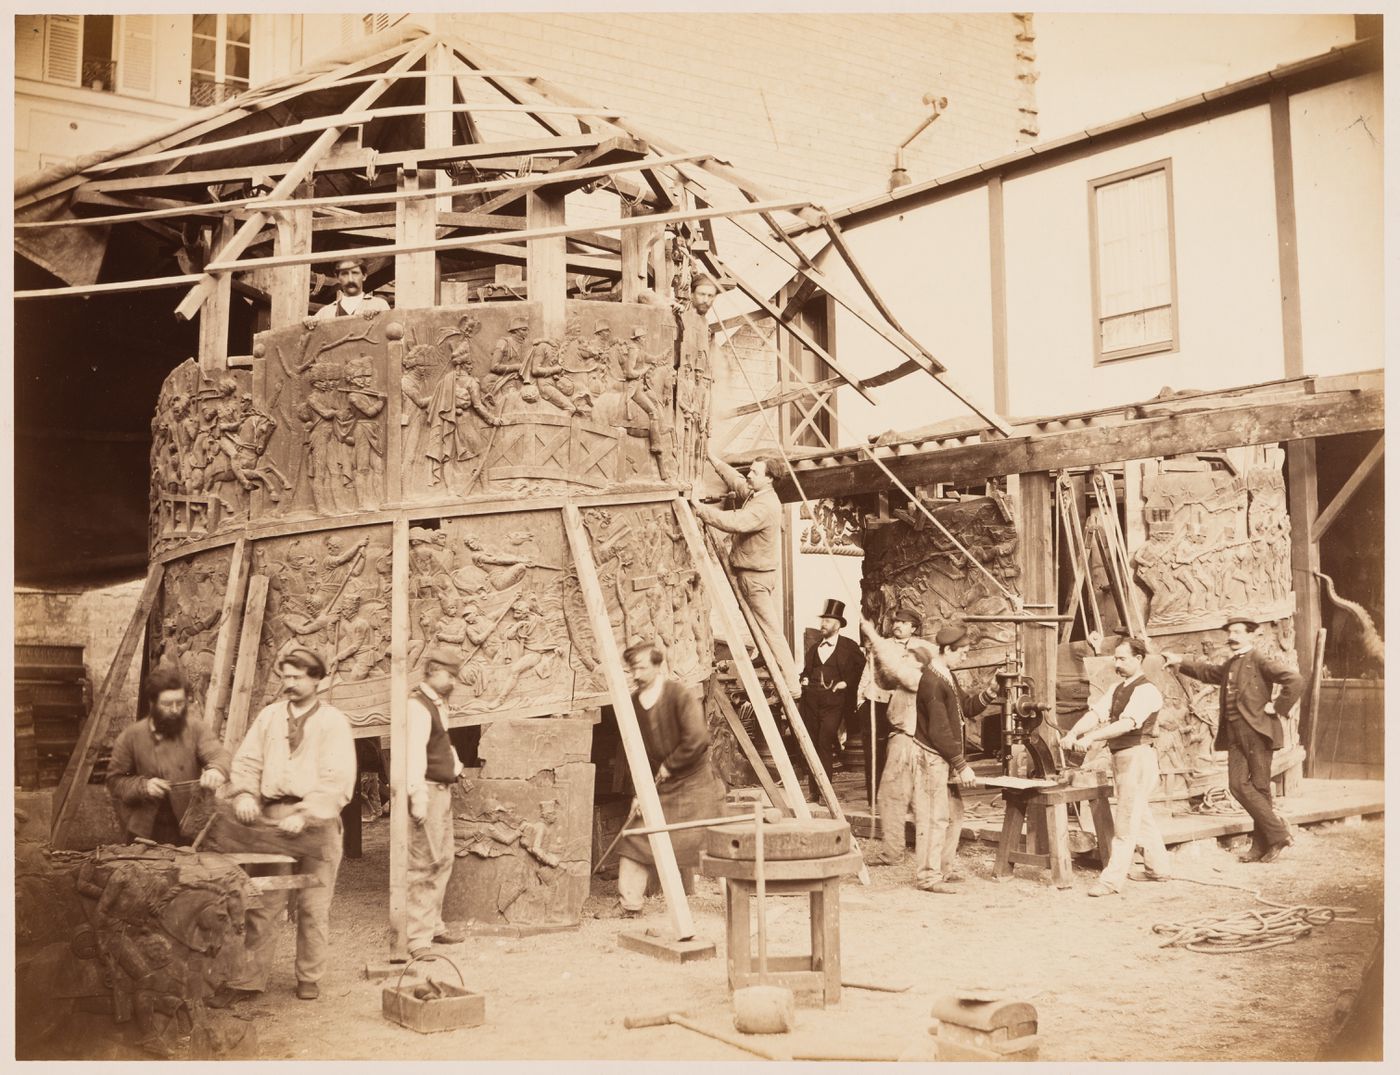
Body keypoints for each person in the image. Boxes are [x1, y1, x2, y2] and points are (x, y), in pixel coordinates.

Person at [210, 648, 356, 1005]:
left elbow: (337, 778)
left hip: (317, 824)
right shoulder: (270, 717)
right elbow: (248, 761)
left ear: (317, 679)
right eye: (285, 677)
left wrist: (306, 814)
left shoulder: (333, 722)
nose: (289, 684)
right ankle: (249, 979)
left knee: (313, 906)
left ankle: (309, 976)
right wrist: (244, 795)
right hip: (272, 823)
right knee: (263, 902)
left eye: (297, 677)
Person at [1164, 618, 1303, 863]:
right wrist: (1179, 661)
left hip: (1258, 732)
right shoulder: (1232, 662)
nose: (1232, 636)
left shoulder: (1259, 659)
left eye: (1238, 632)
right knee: (1237, 785)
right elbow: (1208, 672)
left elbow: (1295, 680)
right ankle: (1278, 834)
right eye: (1230, 632)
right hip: (1235, 733)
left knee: (1260, 788)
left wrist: (1278, 706)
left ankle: (1262, 845)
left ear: (1252, 636)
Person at [615, 643, 724, 916]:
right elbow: (633, 749)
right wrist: (639, 792)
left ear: (657, 665)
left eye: (641, 667)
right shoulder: (634, 702)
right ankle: (630, 905)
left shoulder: (679, 695)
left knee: (713, 840)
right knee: (636, 836)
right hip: (659, 782)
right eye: (632, 669)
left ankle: (735, 898)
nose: (636, 674)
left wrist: (670, 765)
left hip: (694, 780)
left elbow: (697, 739)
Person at [1061, 636, 1172, 896]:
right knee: (1139, 814)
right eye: (1115, 658)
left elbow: (1127, 724)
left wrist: (1090, 738)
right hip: (1122, 758)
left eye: (1123, 659)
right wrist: (1073, 734)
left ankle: (1111, 881)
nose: (1117, 664)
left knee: (1125, 823)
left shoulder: (1146, 691)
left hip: (1138, 757)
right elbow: (1096, 714)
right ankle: (1160, 868)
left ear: (1139, 659)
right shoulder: (1117, 688)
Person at [692, 449, 802, 697]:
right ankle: (765, 656)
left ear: (769, 478)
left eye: (754, 472)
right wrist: (714, 458)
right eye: (750, 470)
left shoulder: (766, 506)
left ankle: (792, 685)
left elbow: (736, 522)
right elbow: (737, 481)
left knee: (770, 629)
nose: (749, 475)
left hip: (756, 578)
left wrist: (699, 510)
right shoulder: (757, 493)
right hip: (751, 573)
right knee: (759, 623)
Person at [907, 623, 996, 892]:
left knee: (954, 815)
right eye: (963, 652)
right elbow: (939, 730)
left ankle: (943, 869)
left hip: (943, 757)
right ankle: (927, 877)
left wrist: (990, 692)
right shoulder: (932, 682)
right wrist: (961, 764)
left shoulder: (946, 674)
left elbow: (966, 708)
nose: (966, 656)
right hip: (932, 758)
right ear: (947, 649)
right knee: (933, 817)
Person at [106, 668, 230, 845]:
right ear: (152, 703)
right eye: (167, 704)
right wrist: (144, 786)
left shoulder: (196, 729)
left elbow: (219, 755)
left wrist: (216, 770)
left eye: (180, 704)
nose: (175, 710)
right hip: (144, 831)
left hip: (190, 829)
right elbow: (115, 781)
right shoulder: (131, 736)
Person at [859, 615, 938, 865]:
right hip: (910, 740)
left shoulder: (916, 679)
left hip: (907, 741)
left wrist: (871, 633)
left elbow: (894, 669)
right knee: (917, 800)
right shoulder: (915, 678)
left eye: (908, 657)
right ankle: (919, 854)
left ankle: (894, 853)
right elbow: (885, 676)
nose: (904, 659)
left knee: (892, 797)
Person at [406, 649, 466, 957]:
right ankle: (417, 939)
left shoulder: (439, 705)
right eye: (449, 675)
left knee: (443, 860)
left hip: (442, 790)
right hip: (427, 791)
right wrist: (417, 796)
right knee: (423, 864)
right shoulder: (417, 706)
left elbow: (442, 741)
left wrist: (454, 764)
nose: (453, 681)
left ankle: (434, 925)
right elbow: (414, 753)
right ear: (431, 670)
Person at [857, 608, 932, 806]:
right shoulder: (882, 645)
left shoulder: (923, 647)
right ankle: (875, 801)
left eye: (904, 623)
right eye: (896, 622)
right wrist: (861, 700)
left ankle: (903, 800)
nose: (897, 625)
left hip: (907, 706)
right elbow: (868, 671)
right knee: (875, 752)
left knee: (904, 752)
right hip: (877, 703)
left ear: (913, 628)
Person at [798, 599, 865, 799]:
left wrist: (847, 682)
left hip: (834, 703)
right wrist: (803, 678)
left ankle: (825, 791)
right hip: (811, 701)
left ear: (837, 624)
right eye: (823, 621)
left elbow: (862, 668)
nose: (823, 625)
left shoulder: (849, 646)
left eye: (827, 621)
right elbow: (806, 671)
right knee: (811, 744)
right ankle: (814, 792)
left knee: (825, 741)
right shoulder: (814, 648)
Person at [310, 257, 391, 320]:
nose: (350, 279)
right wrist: (308, 324)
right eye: (344, 274)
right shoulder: (325, 313)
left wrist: (378, 319)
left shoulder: (379, 305)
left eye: (355, 273)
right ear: (337, 278)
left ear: (364, 276)